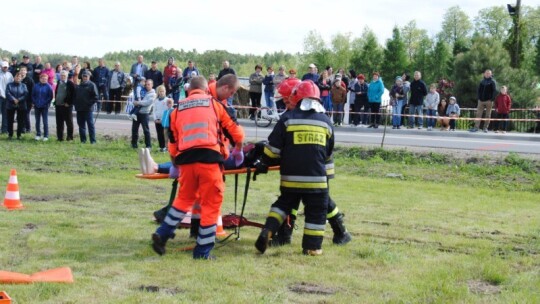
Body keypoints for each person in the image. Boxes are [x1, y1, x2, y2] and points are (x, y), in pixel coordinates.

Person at [151, 76, 245, 260]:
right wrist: (238, 150)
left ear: (189, 89)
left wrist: (176, 165)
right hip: (209, 160)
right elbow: (236, 132)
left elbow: (172, 144)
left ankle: (162, 234)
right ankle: (202, 251)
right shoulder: (214, 104)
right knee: (210, 204)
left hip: (186, 162)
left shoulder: (177, 110)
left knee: (183, 200)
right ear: (204, 88)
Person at [267, 78, 351, 247]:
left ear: (296, 96)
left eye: (286, 99)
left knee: (313, 201)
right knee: (302, 201)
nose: (285, 103)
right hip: (318, 170)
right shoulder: (322, 120)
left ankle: (340, 231)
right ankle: (288, 236)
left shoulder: (293, 118)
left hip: (313, 170)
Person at [254, 79, 334, 256]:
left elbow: (273, 150)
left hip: (291, 179)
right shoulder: (326, 122)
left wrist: (264, 163)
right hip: (317, 180)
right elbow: (328, 155)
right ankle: (312, 247)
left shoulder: (287, 119)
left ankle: (268, 230)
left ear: (297, 97)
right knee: (316, 212)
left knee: (283, 205)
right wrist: (328, 178)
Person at [74, 71, 98, 144]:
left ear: (89, 77)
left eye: (86, 76)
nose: (85, 77)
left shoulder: (92, 85)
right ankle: (83, 141)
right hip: (79, 109)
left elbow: (96, 97)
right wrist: (75, 104)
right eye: (83, 76)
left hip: (88, 109)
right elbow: (75, 96)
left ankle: (93, 141)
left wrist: (89, 104)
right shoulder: (79, 85)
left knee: (90, 125)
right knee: (81, 125)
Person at [131, 79, 155, 149]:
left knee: (146, 130)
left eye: (149, 84)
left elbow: (147, 103)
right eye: (146, 84)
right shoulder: (142, 91)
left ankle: (148, 145)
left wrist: (138, 102)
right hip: (137, 113)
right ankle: (134, 145)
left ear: (152, 85)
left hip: (145, 114)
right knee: (134, 129)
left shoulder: (153, 94)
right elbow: (136, 97)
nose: (147, 86)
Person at [5, 72, 28, 139]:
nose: (18, 78)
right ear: (14, 77)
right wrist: (13, 99)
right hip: (10, 104)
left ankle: (19, 134)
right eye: (17, 76)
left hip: (21, 105)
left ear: (21, 78)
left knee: (20, 120)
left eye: (19, 77)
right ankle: (10, 134)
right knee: (10, 120)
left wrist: (19, 100)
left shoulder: (24, 85)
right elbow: (7, 93)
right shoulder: (9, 85)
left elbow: (26, 94)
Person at [54, 70, 75, 141]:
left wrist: (68, 103)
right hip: (58, 105)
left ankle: (70, 137)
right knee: (59, 123)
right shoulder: (58, 82)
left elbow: (73, 95)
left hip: (67, 106)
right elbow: (57, 93)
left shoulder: (70, 84)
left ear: (67, 76)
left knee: (69, 122)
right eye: (61, 75)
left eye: (64, 75)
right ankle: (60, 137)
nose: (62, 77)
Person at [32, 73, 53, 141]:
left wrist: (45, 103)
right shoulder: (36, 86)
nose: (44, 80)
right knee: (37, 121)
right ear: (40, 79)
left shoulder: (49, 86)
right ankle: (38, 134)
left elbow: (50, 97)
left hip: (44, 106)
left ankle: (46, 135)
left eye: (45, 79)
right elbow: (33, 95)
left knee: (45, 121)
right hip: (37, 106)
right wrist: (35, 102)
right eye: (43, 78)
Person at [153, 85, 170, 152]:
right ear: (158, 92)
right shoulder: (156, 101)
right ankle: (161, 146)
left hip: (164, 120)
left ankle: (166, 147)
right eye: (160, 91)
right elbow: (154, 110)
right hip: (157, 120)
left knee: (165, 134)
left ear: (165, 91)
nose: (161, 92)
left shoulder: (167, 100)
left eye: (163, 91)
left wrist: (162, 119)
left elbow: (167, 111)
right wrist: (155, 119)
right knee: (159, 133)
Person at [19, 66, 34, 133]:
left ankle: (28, 128)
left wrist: (32, 101)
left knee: (26, 114)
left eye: (24, 70)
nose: (22, 71)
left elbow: (33, 91)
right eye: (21, 70)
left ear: (26, 71)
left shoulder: (29, 80)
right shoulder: (18, 79)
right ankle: (22, 128)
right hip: (19, 100)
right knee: (20, 115)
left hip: (28, 101)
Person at [0, 61, 14, 134]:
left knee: (5, 114)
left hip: (7, 97)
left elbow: (11, 85)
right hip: (0, 96)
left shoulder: (10, 75)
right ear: (1, 66)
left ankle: (4, 130)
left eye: (6, 67)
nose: (5, 68)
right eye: (4, 67)